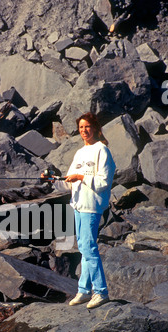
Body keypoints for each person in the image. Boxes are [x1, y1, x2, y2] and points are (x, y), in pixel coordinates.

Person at [54, 112, 116, 309]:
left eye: (87, 127)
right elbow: (68, 183)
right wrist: (52, 181)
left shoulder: (102, 150)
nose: (84, 131)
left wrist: (81, 177)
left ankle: (101, 291)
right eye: (81, 128)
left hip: (92, 206)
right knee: (84, 248)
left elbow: (104, 182)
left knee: (89, 248)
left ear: (95, 128)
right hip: (78, 205)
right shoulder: (80, 153)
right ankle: (83, 291)